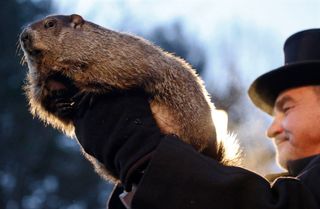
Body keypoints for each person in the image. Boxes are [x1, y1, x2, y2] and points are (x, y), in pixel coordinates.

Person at [73, 29, 320, 209]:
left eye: (286, 109)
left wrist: (145, 156)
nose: (272, 129)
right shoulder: (270, 184)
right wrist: (140, 179)